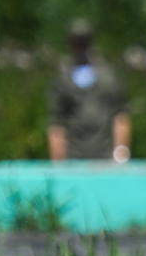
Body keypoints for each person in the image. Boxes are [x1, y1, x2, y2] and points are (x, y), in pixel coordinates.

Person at [48, 20, 132, 162]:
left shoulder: (107, 76)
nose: (81, 46)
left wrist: (121, 154)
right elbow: (57, 125)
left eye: (84, 42)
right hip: (74, 158)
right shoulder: (64, 79)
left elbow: (121, 118)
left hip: (105, 157)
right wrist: (58, 162)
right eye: (77, 42)